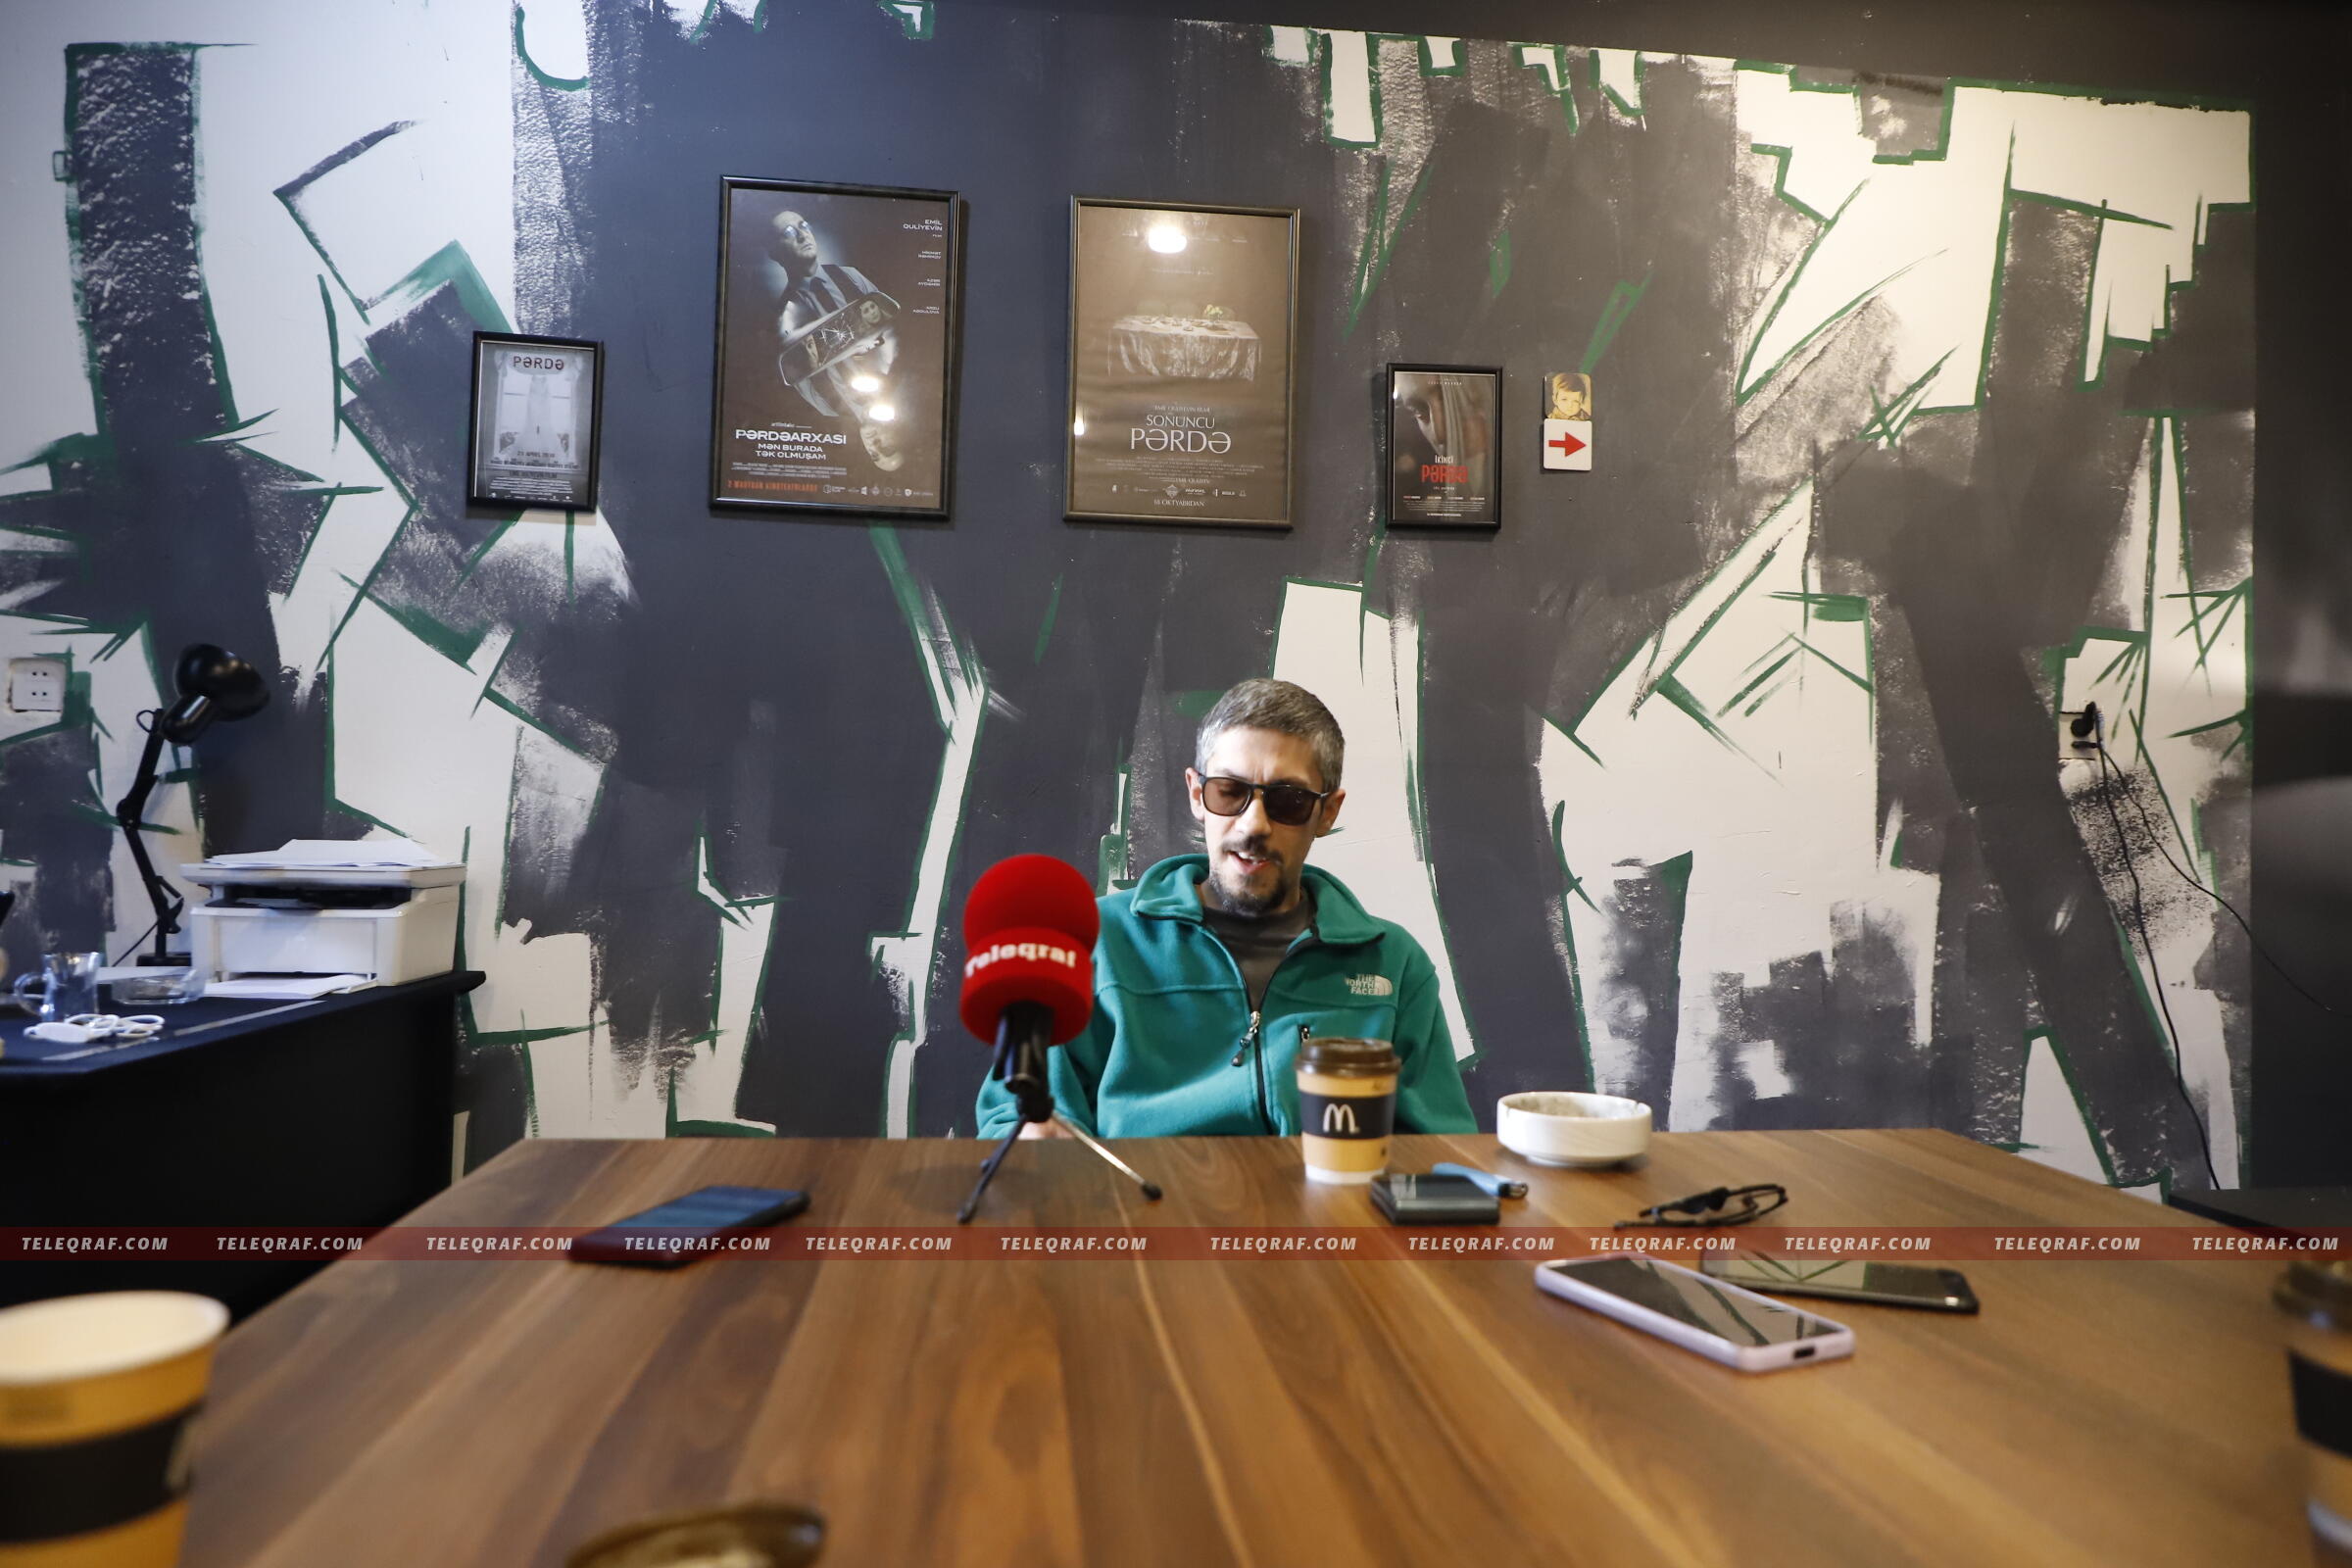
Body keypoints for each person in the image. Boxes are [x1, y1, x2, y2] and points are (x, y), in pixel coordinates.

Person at [974, 679, 1476, 1139]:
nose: (1253, 824)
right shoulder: (1097, 941)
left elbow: (1438, 1151)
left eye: (1288, 801)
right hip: (1136, 1206)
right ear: (1197, 794)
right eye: (1230, 792)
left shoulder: (1394, 964)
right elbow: (1012, 1121)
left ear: (1327, 813)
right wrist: (1032, 1141)